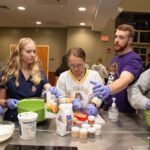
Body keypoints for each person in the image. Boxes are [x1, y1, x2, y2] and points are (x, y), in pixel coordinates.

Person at [0, 37, 60, 121]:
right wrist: (7, 102)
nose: (32, 54)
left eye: (34, 51)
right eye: (28, 52)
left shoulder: (38, 72)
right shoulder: (7, 73)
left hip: (36, 118)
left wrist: (52, 90)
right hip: (14, 118)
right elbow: (1, 100)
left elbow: (48, 87)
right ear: (19, 53)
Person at [91, 24, 143, 113]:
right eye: (116, 37)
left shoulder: (134, 59)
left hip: (124, 114)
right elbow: (111, 81)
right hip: (109, 109)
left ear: (130, 40)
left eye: (121, 37)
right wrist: (97, 102)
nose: (116, 40)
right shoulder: (115, 58)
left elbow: (124, 80)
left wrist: (108, 89)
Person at [56, 48, 103, 116]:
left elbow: (99, 95)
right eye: (72, 65)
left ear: (84, 61)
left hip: (90, 115)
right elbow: (59, 98)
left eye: (79, 65)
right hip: (69, 115)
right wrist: (71, 101)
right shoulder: (63, 77)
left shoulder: (94, 76)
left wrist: (93, 104)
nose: (76, 69)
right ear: (68, 63)